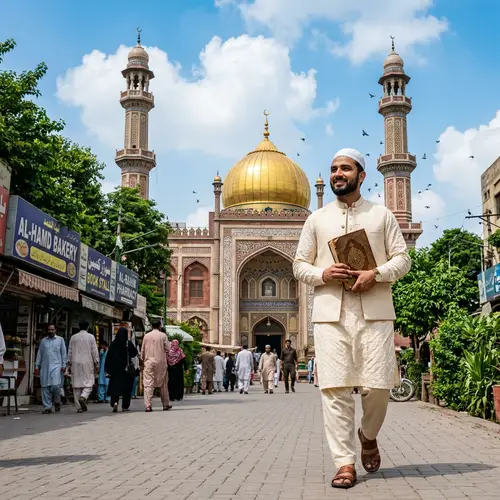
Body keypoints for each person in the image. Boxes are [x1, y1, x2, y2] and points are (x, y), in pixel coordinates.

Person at [293, 148, 411, 489]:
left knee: (378, 385)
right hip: (331, 314)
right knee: (335, 390)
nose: (337, 174)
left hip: (374, 313)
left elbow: (403, 260)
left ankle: (368, 434)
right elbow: (299, 265)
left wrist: (375, 273)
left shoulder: (381, 216)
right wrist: (324, 273)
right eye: (333, 169)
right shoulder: (316, 220)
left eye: (345, 168)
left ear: (361, 175)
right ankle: (344, 462)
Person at [34, 324, 67, 414]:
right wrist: (37, 366)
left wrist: (64, 365)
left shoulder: (60, 340)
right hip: (45, 367)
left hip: (57, 366)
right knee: (45, 387)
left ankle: (57, 401)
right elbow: (39, 354)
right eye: (49, 330)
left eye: (52, 329)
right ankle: (47, 407)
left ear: (55, 330)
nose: (50, 331)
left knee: (55, 386)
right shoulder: (43, 341)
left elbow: (63, 353)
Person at [67, 320, 99, 413]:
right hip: (87, 362)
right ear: (88, 327)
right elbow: (94, 351)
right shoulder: (91, 337)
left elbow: (70, 351)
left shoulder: (73, 337)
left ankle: (79, 407)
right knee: (89, 382)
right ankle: (84, 397)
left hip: (75, 362)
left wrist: (69, 362)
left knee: (77, 385)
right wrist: (96, 362)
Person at [105, 327, 137, 413]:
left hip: (115, 370)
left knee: (115, 387)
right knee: (127, 388)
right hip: (126, 370)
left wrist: (108, 369)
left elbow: (108, 357)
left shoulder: (113, 344)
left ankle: (115, 402)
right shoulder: (128, 344)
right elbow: (134, 353)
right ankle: (125, 406)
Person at [141, 319, 171, 412]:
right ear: (160, 326)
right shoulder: (163, 335)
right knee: (163, 383)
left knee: (148, 383)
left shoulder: (146, 336)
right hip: (161, 362)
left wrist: (143, 360)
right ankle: (165, 404)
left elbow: (142, 350)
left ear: (151, 326)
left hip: (149, 361)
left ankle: (148, 405)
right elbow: (168, 349)